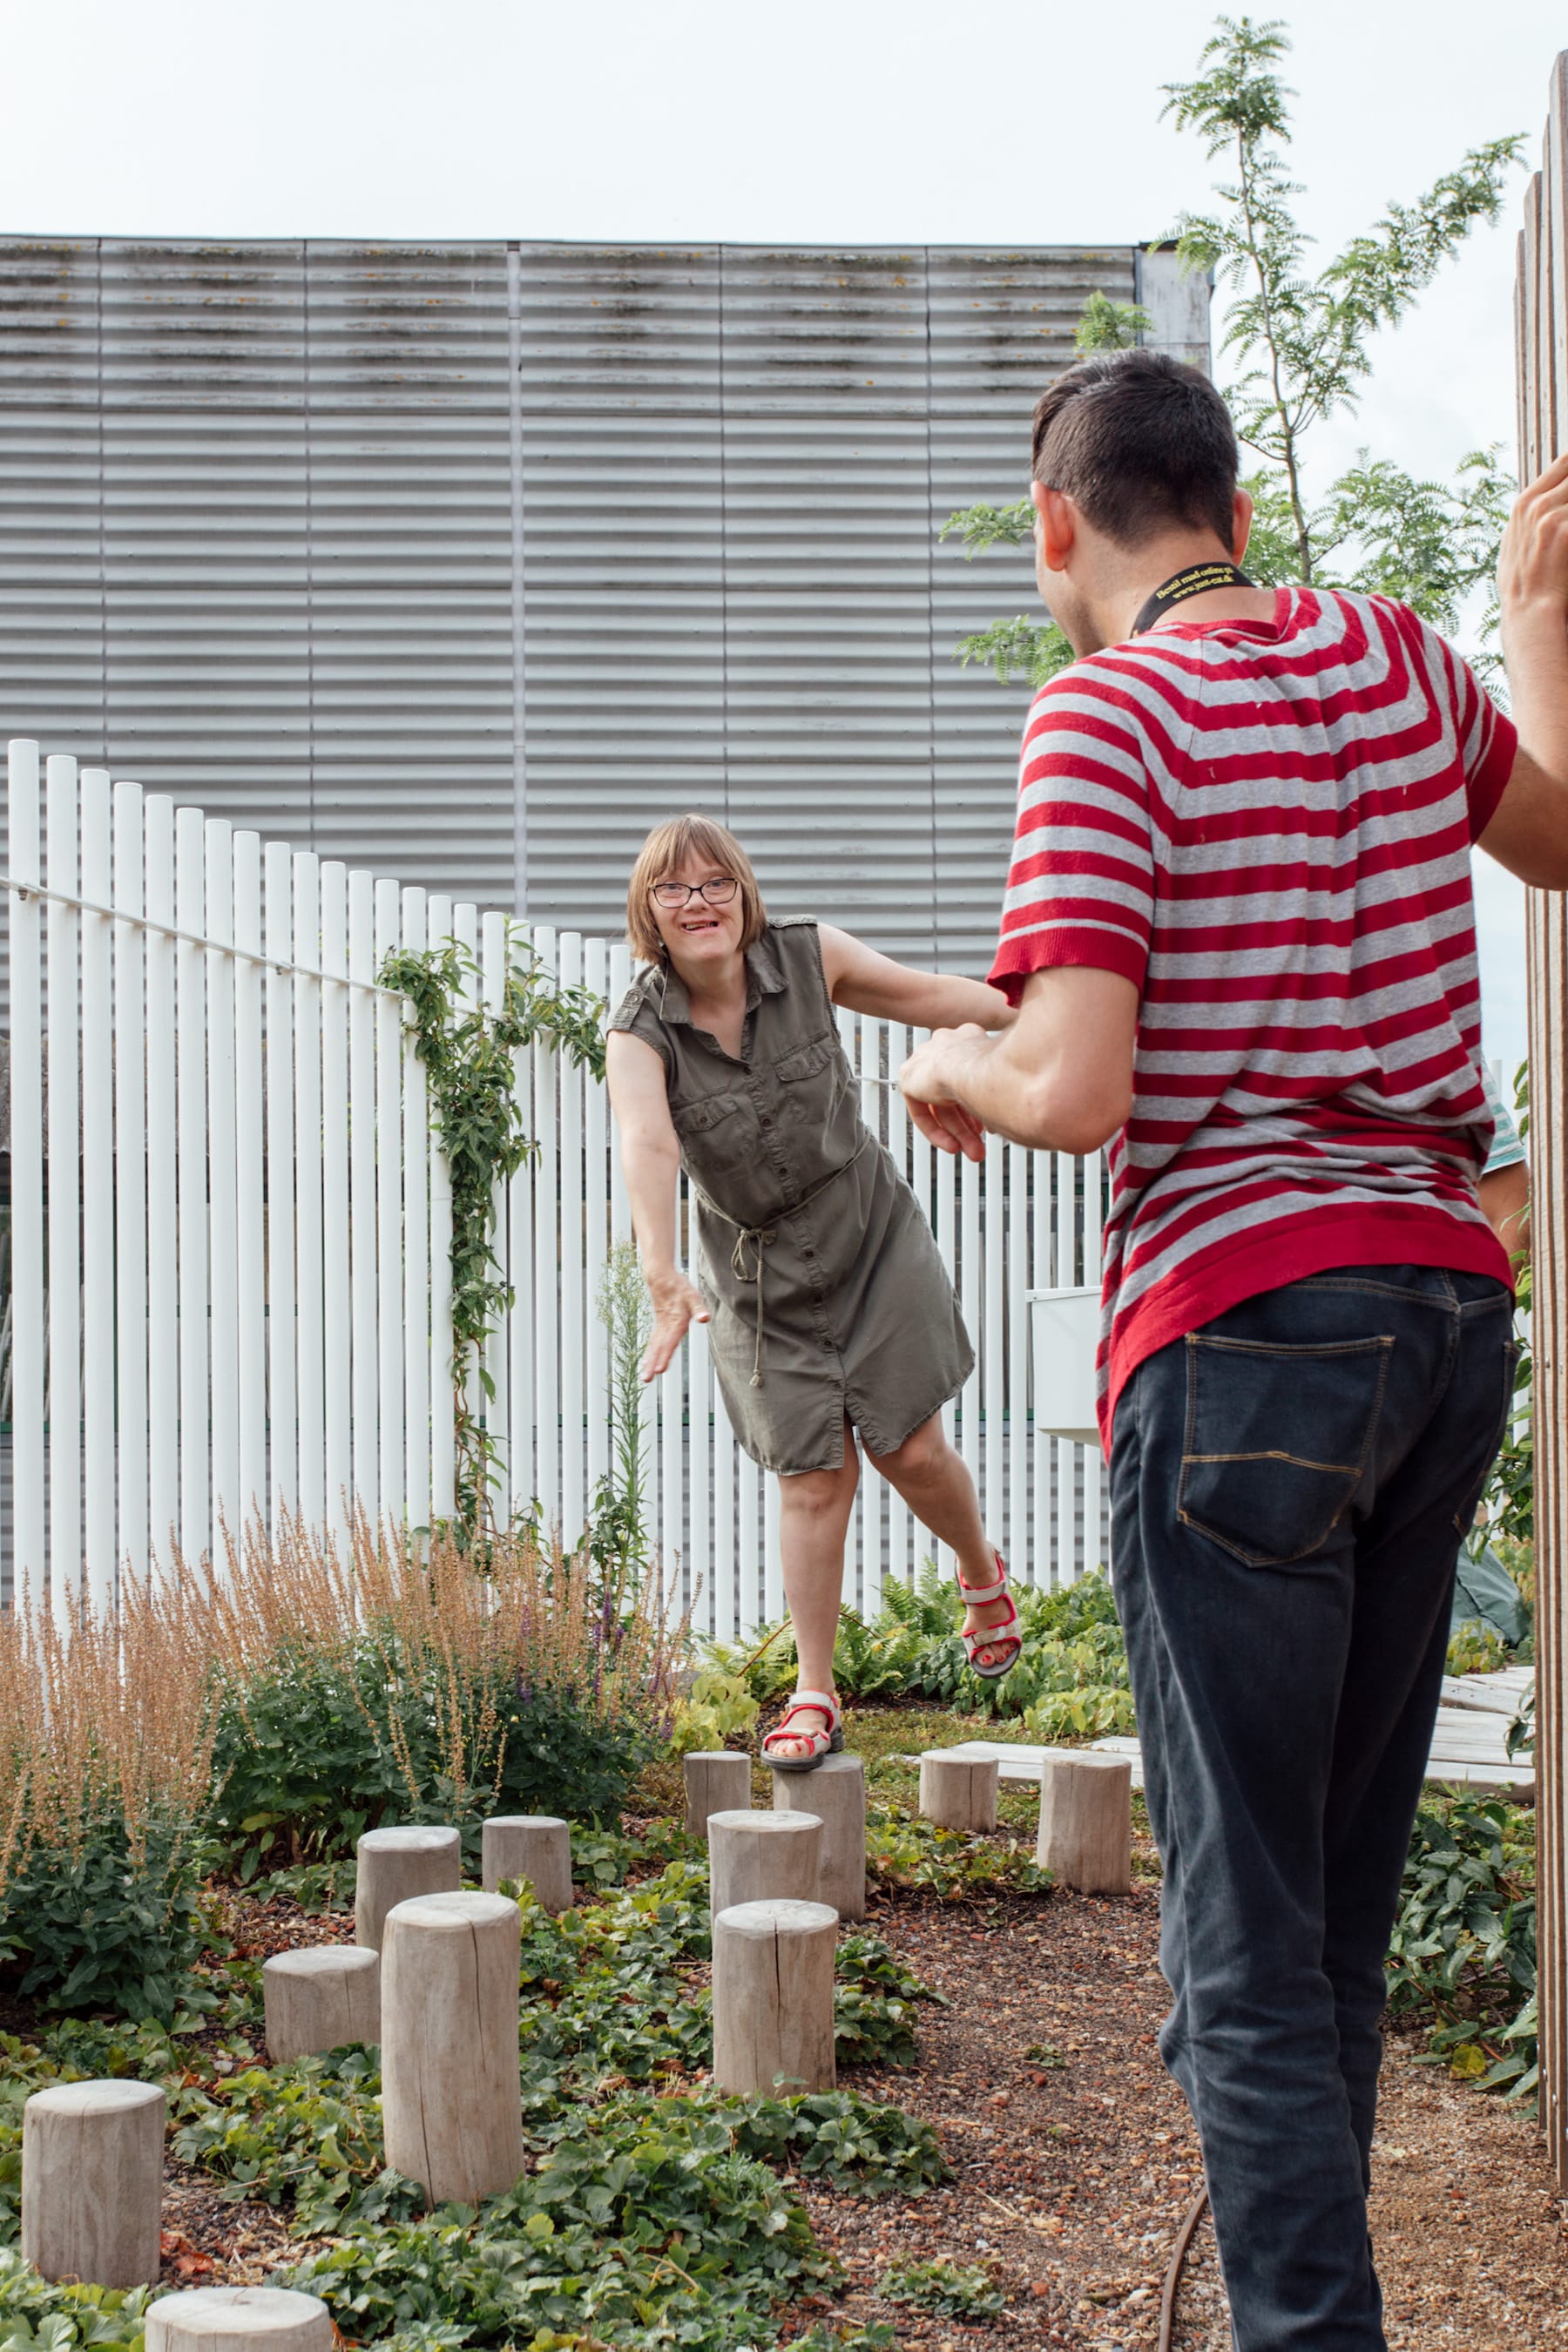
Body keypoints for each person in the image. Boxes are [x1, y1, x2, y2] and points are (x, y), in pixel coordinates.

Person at [898, 346, 1567, 2351]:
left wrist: (955, 1067)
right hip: (1445, 1319)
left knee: (1243, 1942)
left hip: (1240, 1340)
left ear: (1056, 530)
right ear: (1238, 511)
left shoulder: (1098, 715)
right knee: (1323, 1917)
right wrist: (1531, 631)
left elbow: (1085, 1082)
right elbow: (1561, 843)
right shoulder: (1392, 659)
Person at [605, 814, 1022, 1768]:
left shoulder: (807, 954)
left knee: (912, 1451)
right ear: (650, 912)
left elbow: (926, 996)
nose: (699, 901)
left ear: (743, 893)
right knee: (812, 1477)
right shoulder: (639, 1032)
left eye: (716, 882)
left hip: (868, 1231)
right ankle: (815, 1691)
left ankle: (979, 1573)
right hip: (757, 1279)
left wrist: (1040, 1010)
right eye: (675, 889)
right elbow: (649, 1143)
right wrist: (660, 1271)